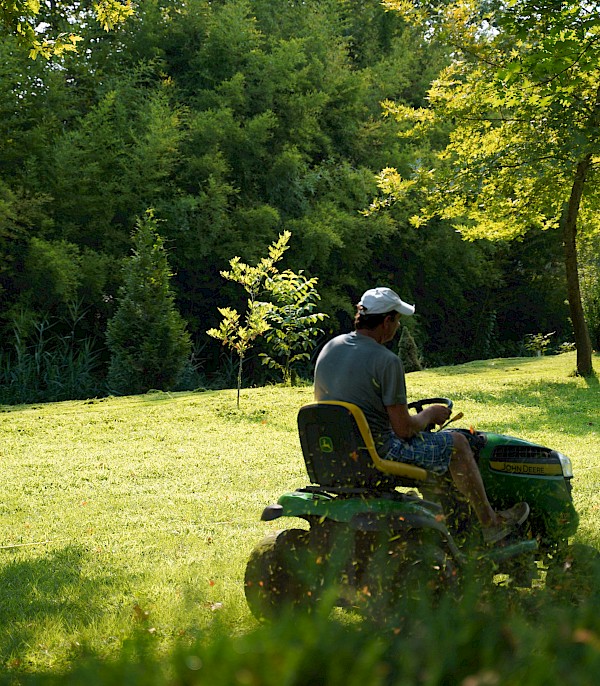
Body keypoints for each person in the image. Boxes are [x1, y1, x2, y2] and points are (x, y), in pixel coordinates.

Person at [314, 286, 530, 545]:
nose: (397, 326)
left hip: (337, 455)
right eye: (397, 320)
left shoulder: (330, 348)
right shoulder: (387, 361)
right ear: (387, 321)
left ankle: (444, 520)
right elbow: (404, 429)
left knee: (435, 446)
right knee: (458, 444)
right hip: (380, 454)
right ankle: (491, 523)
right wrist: (429, 414)